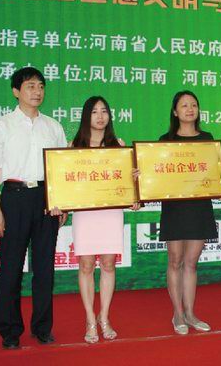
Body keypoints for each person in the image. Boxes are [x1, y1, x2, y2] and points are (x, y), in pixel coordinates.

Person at [0, 67, 67, 349]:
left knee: (44, 268)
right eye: (30, 86)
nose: (37, 92)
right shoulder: (0, 126)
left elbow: (60, 170)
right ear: (16, 91)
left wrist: (62, 203)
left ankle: (42, 327)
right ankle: (10, 331)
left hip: (45, 200)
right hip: (13, 198)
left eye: (40, 86)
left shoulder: (53, 127)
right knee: (11, 268)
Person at [70, 96, 139, 343]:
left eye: (104, 111)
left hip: (110, 211)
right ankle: (90, 319)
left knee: (108, 264)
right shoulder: (74, 147)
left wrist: (134, 182)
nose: (100, 116)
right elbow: (66, 182)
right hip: (85, 212)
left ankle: (105, 317)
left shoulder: (118, 146)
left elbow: (127, 181)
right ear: (85, 116)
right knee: (86, 265)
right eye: (94, 112)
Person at [158, 90, 221, 334]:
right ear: (175, 112)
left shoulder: (207, 139)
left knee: (191, 263)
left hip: (199, 207)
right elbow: (158, 172)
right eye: (184, 105)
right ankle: (177, 314)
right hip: (175, 207)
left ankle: (190, 313)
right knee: (175, 260)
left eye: (194, 105)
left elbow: (214, 171)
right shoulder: (165, 140)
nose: (190, 109)